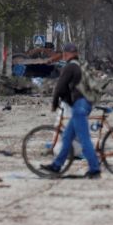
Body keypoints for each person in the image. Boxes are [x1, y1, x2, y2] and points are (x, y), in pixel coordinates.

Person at [39, 43, 101, 179]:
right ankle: (56, 166)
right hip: (87, 103)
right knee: (67, 137)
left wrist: (55, 104)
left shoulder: (69, 67)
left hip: (80, 106)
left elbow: (60, 87)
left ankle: (95, 169)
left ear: (66, 54)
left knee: (84, 139)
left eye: (64, 54)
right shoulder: (81, 64)